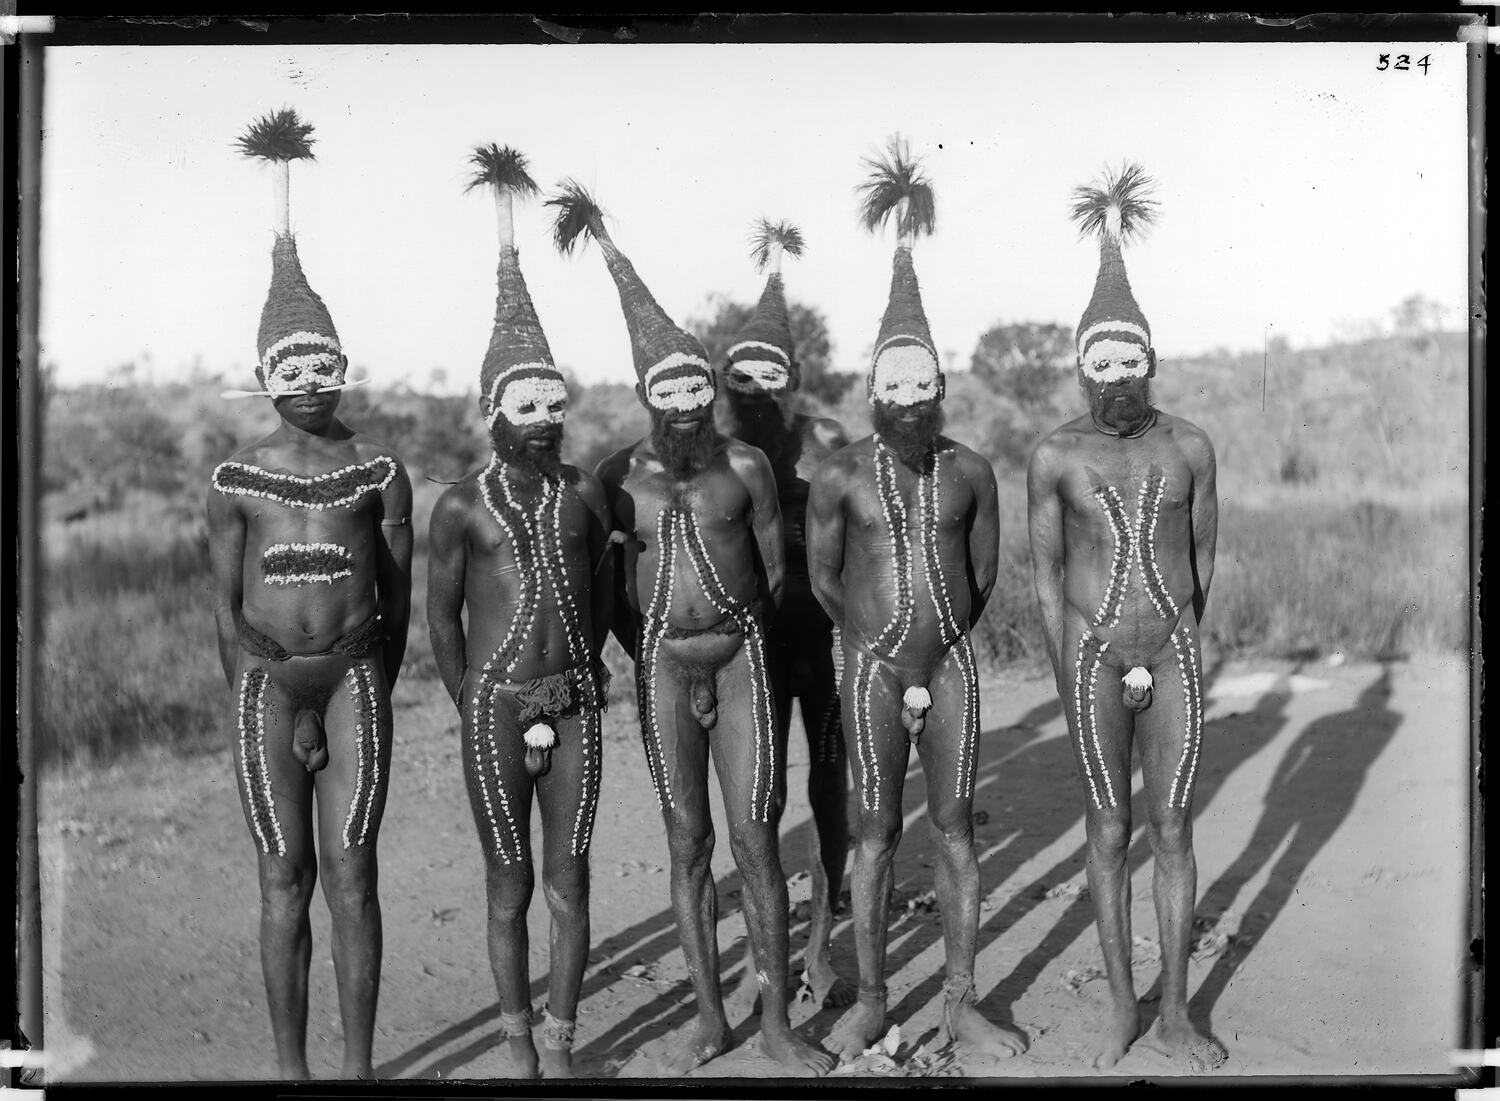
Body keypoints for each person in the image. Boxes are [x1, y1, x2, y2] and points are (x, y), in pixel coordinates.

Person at [550, 183, 834, 1078]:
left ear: (709, 388)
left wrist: (729, 629)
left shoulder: (745, 464)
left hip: (745, 658)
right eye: (665, 384)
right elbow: (608, 587)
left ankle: (778, 1024)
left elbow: (774, 566)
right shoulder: (613, 476)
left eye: (693, 382)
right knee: (687, 841)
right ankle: (711, 1018)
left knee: (754, 835)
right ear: (645, 391)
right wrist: (652, 649)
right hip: (665, 671)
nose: (682, 397)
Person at [807, 139, 1028, 1064]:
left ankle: (964, 1001)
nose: (907, 396)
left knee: (955, 830)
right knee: (870, 834)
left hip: (950, 670)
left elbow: (978, 580)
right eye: (891, 384)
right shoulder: (837, 476)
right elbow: (824, 579)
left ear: (940, 386)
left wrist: (934, 650)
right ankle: (870, 1000)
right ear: (872, 390)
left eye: (921, 382)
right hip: (867, 670)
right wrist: (876, 646)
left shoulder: (970, 471)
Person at [207, 109, 413, 1080]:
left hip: (356, 685)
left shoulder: (380, 468)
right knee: (283, 877)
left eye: (323, 362)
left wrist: (366, 669)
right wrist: (253, 687)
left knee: (352, 876)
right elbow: (220, 606)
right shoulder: (235, 478)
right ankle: (292, 1073)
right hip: (264, 686)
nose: (309, 380)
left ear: (346, 365)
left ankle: (360, 1069)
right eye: (290, 366)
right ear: (262, 377)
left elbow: (403, 600)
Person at [1026, 162, 1223, 1071]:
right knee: (1107, 829)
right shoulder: (1054, 454)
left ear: (1151, 358)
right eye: (1100, 362)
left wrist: (1179, 635)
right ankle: (1119, 1008)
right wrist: (1074, 667)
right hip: (1094, 656)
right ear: (1081, 366)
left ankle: (1178, 1009)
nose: (1116, 376)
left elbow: (1205, 554)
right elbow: (1046, 571)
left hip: (1174, 652)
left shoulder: (1190, 445)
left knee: (1174, 827)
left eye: (1129, 359)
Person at [426, 146, 615, 1079]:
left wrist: (597, 668)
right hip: (496, 706)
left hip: (577, 700)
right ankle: (514, 1040)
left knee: (569, 878)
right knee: (508, 882)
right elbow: (440, 624)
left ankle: (569, 1036)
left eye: (553, 398)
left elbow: (611, 588)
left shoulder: (585, 495)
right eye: (524, 401)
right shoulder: (461, 505)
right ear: (493, 412)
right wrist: (475, 703)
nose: (543, 414)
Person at [717, 220, 853, 1012]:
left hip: (824, 641)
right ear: (724, 379)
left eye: (771, 374)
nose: (758, 388)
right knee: (756, 802)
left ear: (794, 375)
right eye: (743, 375)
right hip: (750, 653)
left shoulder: (826, 442)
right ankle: (760, 953)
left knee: (831, 790)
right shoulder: (713, 456)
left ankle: (823, 943)